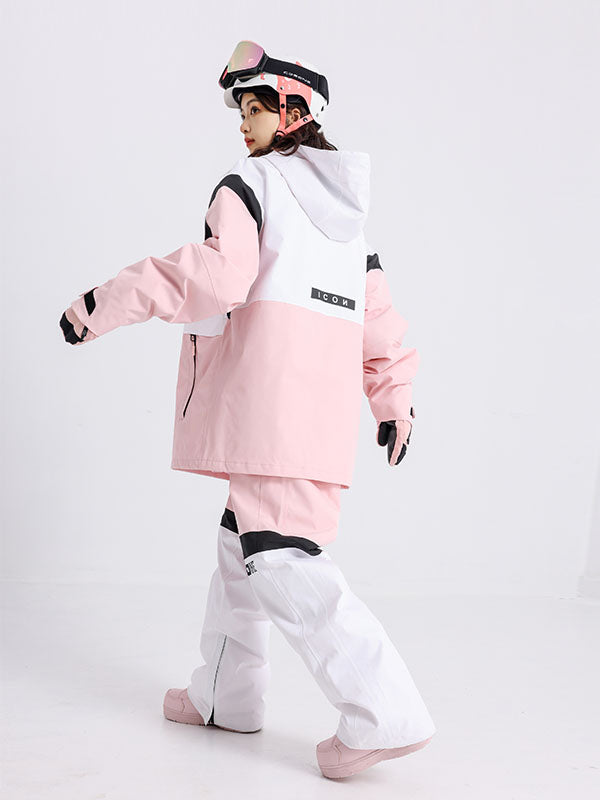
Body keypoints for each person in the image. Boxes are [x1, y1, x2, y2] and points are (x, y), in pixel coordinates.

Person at [59, 40, 436, 780]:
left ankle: (383, 711)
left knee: (281, 554)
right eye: (241, 109)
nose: (243, 122)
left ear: (292, 114)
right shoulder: (350, 224)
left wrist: (101, 304)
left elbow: (213, 275)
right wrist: (395, 405)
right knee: (243, 543)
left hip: (267, 409)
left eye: (255, 108)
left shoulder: (250, 186)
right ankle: (226, 695)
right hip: (318, 421)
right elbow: (379, 324)